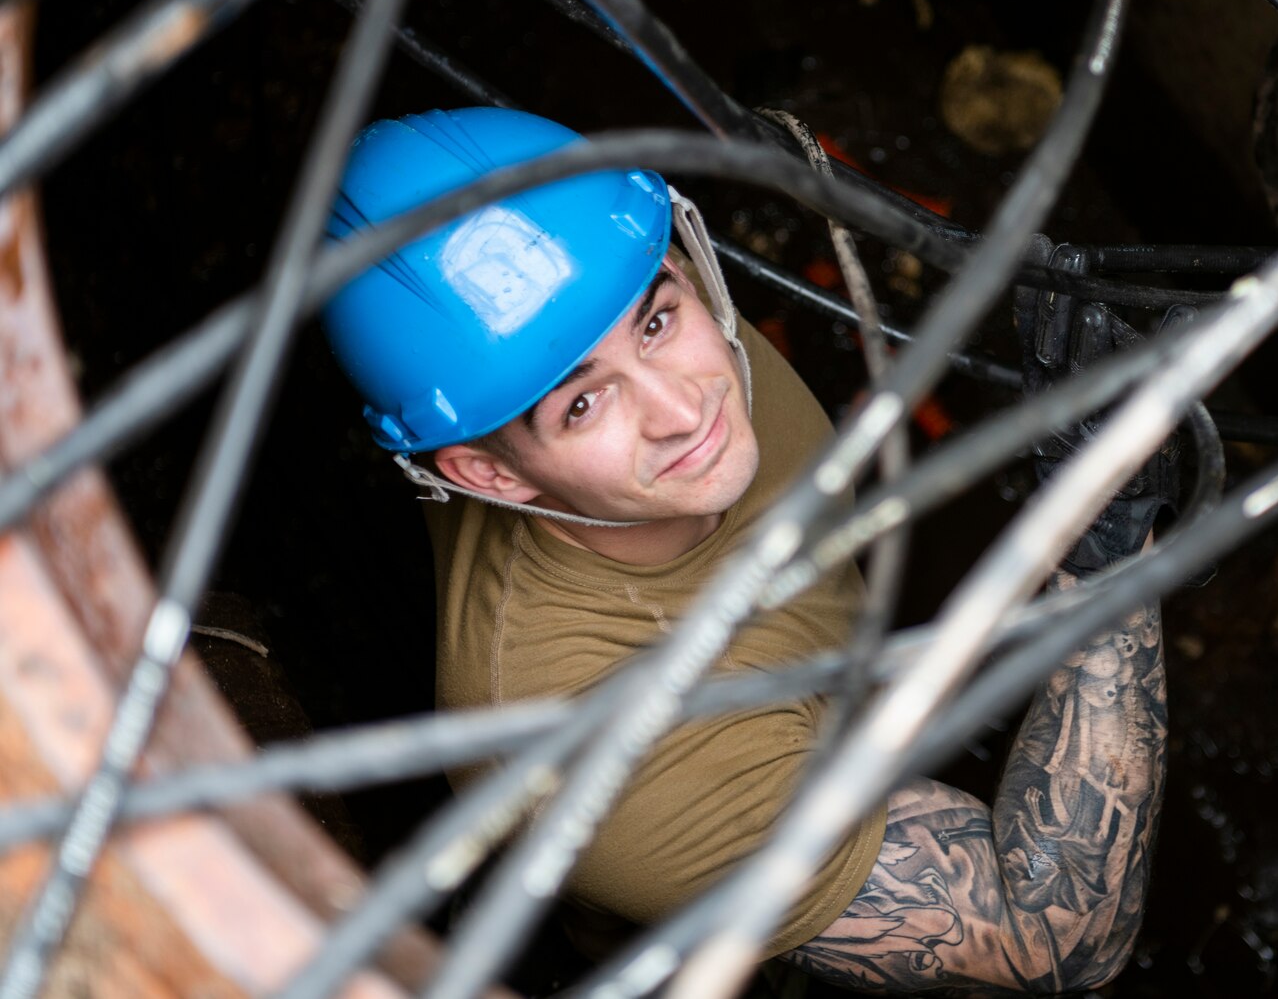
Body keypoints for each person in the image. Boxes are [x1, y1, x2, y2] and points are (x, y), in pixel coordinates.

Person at [323, 107, 1170, 992]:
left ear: (684, 266)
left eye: (654, 321)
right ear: (490, 477)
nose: (686, 408)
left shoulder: (668, 341)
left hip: (812, 697)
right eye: (583, 405)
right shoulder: (598, 750)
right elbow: (1060, 944)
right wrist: (1105, 550)